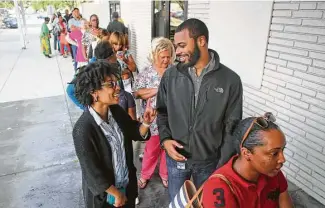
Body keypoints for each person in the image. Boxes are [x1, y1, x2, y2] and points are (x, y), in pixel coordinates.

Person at [156, 18, 243, 201]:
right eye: (176, 46)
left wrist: (222, 165)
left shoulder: (231, 81)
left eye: (181, 45)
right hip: (176, 159)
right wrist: (165, 140)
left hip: (210, 163)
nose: (177, 52)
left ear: (201, 41)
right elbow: (162, 112)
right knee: (177, 202)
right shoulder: (171, 76)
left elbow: (232, 127)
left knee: (206, 203)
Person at [72, 61, 156, 208]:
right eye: (111, 84)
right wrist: (116, 194)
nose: (118, 88)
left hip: (127, 189)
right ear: (94, 92)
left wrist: (146, 123)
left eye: (116, 83)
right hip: (106, 199)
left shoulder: (116, 111)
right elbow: (92, 172)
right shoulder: (83, 129)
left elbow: (134, 131)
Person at [201, 113, 294, 208]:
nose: (282, 159)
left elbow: (284, 199)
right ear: (246, 153)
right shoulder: (219, 188)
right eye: (274, 153)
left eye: (282, 150)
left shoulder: (272, 171)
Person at [133, 37, 175, 189]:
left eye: (168, 56)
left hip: (172, 119)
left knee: (167, 150)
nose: (166, 60)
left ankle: (165, 174)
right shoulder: (147, 72)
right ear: (155, 55)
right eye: (162, 57)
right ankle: (145, 175)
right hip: (153, 120)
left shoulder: (174, 71)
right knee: (151, 150)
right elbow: (136, 93)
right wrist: (156, 91)